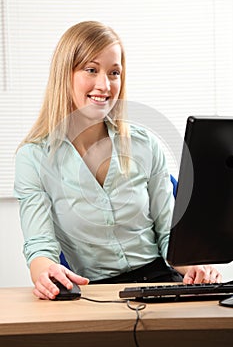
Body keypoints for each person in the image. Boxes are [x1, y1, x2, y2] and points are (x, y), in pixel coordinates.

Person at [14, 21, 221, 300]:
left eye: (114, 72)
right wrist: (47, 273)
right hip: (96, 291)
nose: (105, 84)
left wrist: (192, 265)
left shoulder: (145, 145)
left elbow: (168, 235)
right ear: (65, 75)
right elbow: (40, 248)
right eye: (91, 69)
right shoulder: (34, 158)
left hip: (159, 281)